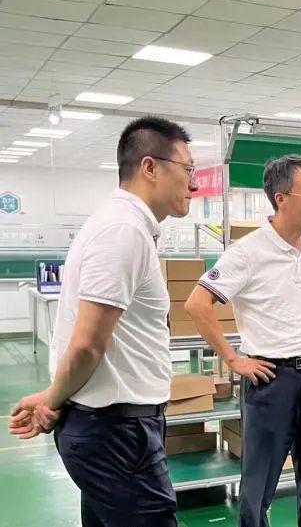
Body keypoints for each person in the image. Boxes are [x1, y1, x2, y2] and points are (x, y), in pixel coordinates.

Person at [8, 116, 199, 526]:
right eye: (188, 169)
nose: (194, 184)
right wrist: (51, 400)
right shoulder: (122, 231)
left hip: (112, 428)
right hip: (118, 434)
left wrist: (52, 396)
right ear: (150, 167)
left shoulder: (124, 227)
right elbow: (86, 344)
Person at [185, 154, 301, 527]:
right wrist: (233, 359)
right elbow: (197, 303)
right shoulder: (247, 252)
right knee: (258, 486)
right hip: (271, 380)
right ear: (281, 198)